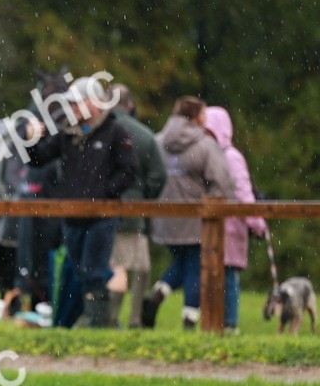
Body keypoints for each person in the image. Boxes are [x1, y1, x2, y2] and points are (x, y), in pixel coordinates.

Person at [28, 77, 137, 327]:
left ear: (94, 102)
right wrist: (32, 139)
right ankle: (99, 323)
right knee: (79, 272)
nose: (72, 108)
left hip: (102, 217)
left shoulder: (115, 131)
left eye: (77, 103)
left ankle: (98, 326)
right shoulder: (68, 132)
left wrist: (105, 194)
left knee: (93, 272)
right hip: (72, 217)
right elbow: (38, 159)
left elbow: (129, 170)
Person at [142, 97, 235, 329]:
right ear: (197, 117)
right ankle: (189, 320)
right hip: (197, 220)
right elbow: (221, 181)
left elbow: (148, 175)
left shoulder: (157, 141)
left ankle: (158, 294)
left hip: (165, 218)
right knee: (195, 266)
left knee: (182, 263)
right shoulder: (205, 145)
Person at [107, 85, 167, 327]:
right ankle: (135, 318)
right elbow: (158, 176)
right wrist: (143, 198)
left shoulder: (99, 132)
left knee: (113, 266)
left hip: (99, 209)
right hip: (134, 209)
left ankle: (110, 317)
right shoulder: (144, 135)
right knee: (140, 268)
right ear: (130, 105)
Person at [205, 106, 267, 333]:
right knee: (220, 276)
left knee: (227, 275)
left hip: (229, 226)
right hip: (219, 225)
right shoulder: (214, 155)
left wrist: (256, 222)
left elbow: (243, 194)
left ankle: (229, 323)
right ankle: (221, 323)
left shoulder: (230, 157)